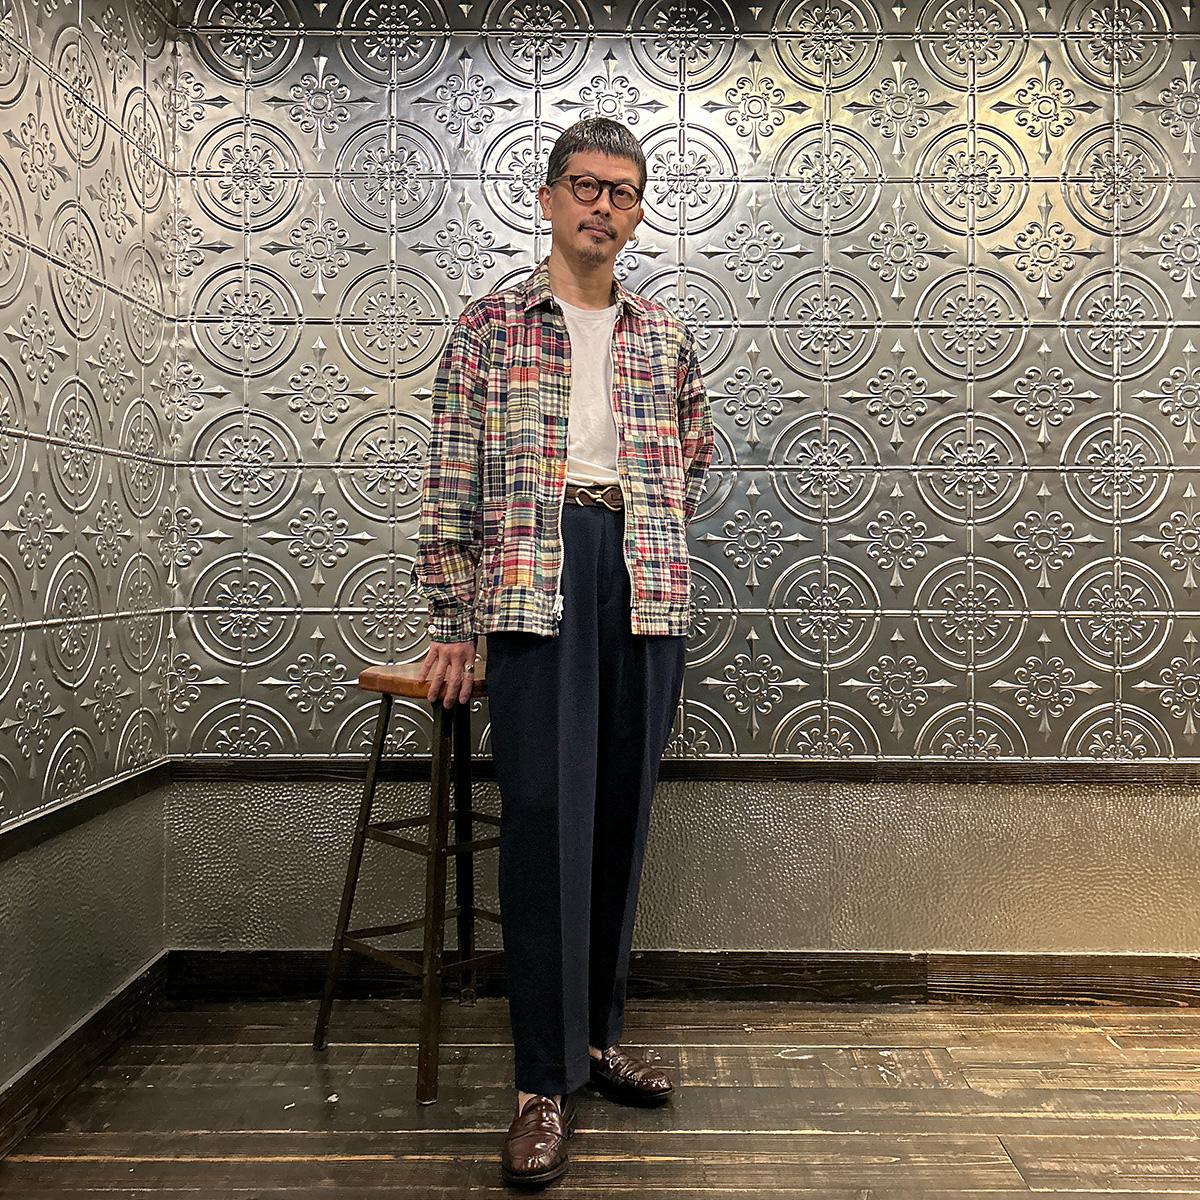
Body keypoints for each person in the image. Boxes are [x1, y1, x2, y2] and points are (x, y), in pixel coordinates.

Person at [413, 116, 713, 1188]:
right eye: (585, 187)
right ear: (548, 199)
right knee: (543, 821)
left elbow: (692, 451)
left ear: (637, 213)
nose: (603, 207)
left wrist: (650, 526)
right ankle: (542, 1081)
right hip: (532, 579)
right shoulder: (489, 327)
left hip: (643, 578)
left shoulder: (663, 334)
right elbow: (451, 476)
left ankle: (597, 1039)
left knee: (620, 813)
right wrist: (454, 617)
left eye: (622, 192)